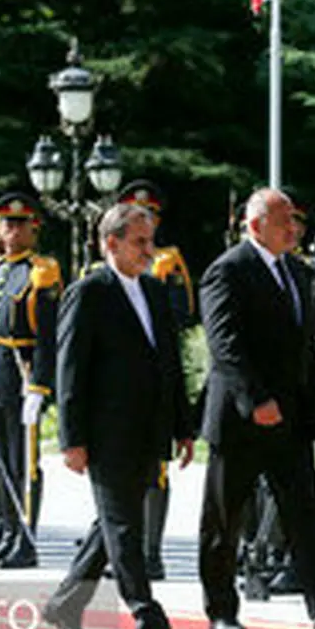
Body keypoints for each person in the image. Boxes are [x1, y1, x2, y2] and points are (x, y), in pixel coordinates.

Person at [196, 187, 315, 629]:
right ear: (255, 224)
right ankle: (221, 607)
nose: (294, 229)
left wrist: (308, 406)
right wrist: (255, 399)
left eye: (296, 221)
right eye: (284, 221)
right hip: (244, 416)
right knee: (226, 517)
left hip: (290, 418)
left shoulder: (297, 272)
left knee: (305, 513)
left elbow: (305, 347)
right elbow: (225, 346)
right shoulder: (228, 271)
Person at [44, 203, 194, 629]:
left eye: (151, 240)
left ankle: (65, 604)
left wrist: (183, 427)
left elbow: (170, 364)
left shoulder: (152, 290)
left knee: (113, 523)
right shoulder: (89, 292)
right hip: (107, 432)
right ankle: (150, 621)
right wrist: (72, 438)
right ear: (111, 243)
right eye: (140, 242)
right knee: (126, 527)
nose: (150, 251)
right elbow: (70, 369)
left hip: (148, 429)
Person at [0, 192, 61, 569]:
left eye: (21, 224)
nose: (13, 231)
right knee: (0, 459)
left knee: (24, 463)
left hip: (21, 377)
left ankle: (26, 538)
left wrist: (39, 385)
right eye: (7, 224)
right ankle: (5, 531)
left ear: (34, 228)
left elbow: (49, 336)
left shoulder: (42, 271)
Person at [112, 180, 196, 582]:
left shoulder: (166, 265)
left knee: (153, 474)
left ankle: (151, 551)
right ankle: (120, 548)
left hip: (154, 383)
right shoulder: (103, 275)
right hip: (118, 393)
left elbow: (177, 318)